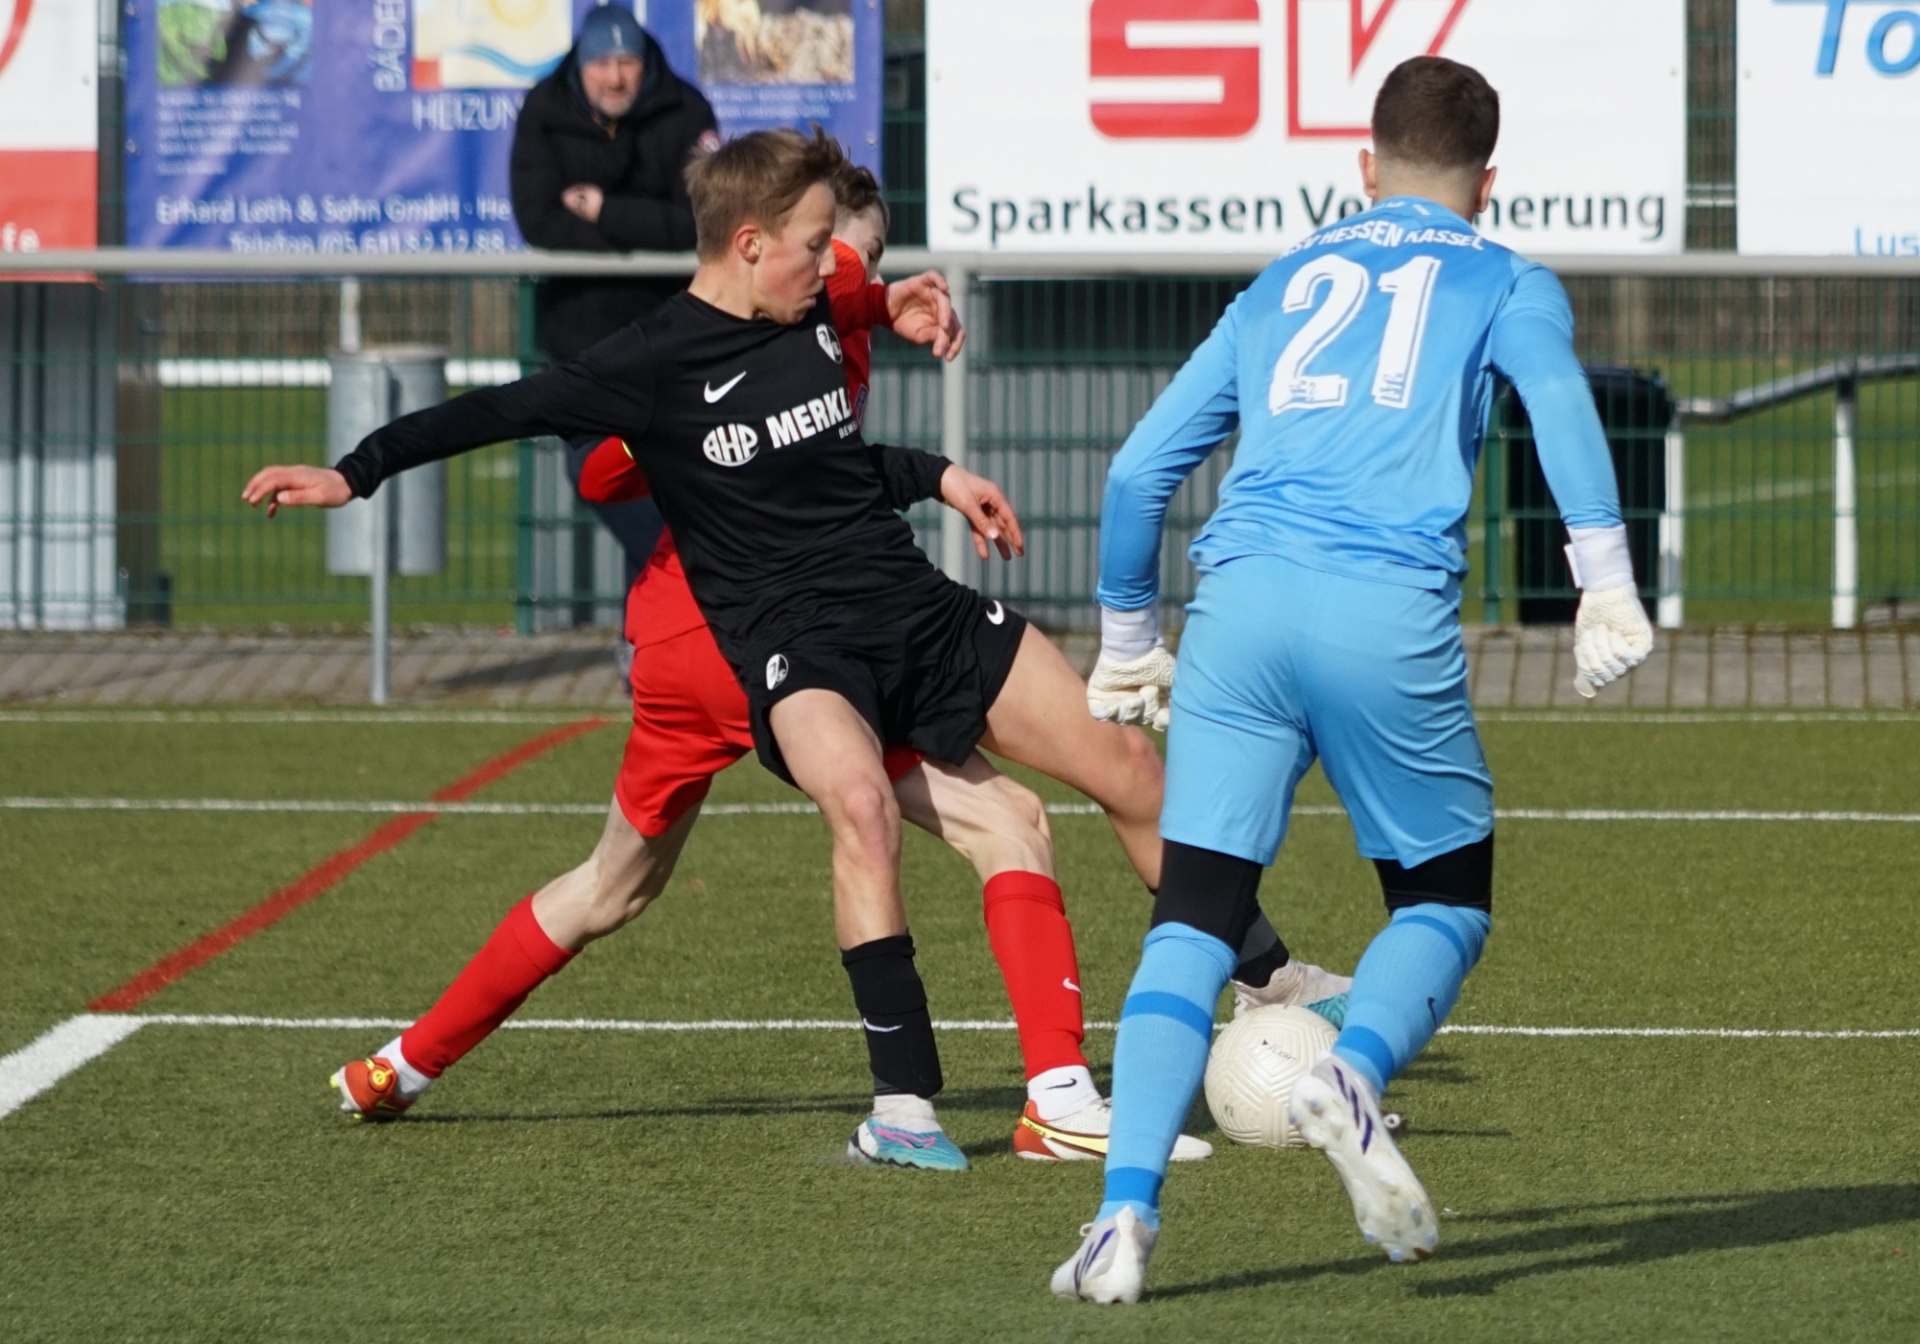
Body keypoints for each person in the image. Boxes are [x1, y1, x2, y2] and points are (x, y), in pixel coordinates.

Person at [241, 128, 1345, 1173]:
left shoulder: (820, 297)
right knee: (861, 826)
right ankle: (920, 1107)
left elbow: (833, 443)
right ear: (749, 244)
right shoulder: (654, 361)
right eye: (819, 246)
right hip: (772, 652)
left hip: (909, 610)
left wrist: (932, 446)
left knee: (1129, 770)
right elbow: (496, 410)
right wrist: (354, 473)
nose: (837, 267)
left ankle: (1224, 998)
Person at [1052, 56, 1655, 1303]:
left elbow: (1136, 472)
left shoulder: (1283, 280)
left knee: (1194, 914)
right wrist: (1605, 579)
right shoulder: (1506, 276)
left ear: (1363, 167)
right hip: (1384, 611)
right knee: (1444, 895)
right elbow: (1558, 402)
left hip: (1239, 607)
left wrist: (1126, 636)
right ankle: (1354, 1068)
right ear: (1489, 183)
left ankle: (1120, 1218)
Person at [511, 3, 720, 633]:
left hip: (672, 333)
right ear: (581, 67)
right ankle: (671, 613)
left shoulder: (686, 110)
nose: (615, 77)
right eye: (601, 64)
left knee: (676, 483)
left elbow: (698, 224)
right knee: (600, 473)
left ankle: (653, 639)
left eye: (626, 62)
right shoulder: (545, 109)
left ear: (644, 62)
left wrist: (603, 212)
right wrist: (644, 232)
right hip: (586, 338)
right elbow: (539, 222)